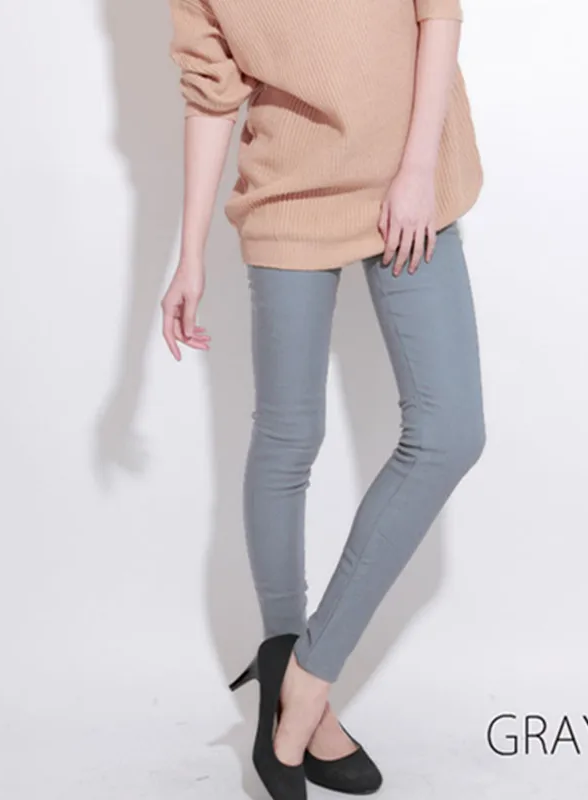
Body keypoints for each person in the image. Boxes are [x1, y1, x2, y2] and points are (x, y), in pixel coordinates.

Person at [164, 1, 486, 797]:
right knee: (287, 438)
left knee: (450, 432)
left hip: (411, 180)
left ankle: (305, 679)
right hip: (290, 190)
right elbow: (212, 94)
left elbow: (438, 12)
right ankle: (285, 657)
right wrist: (189, 254)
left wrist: (415, 171)